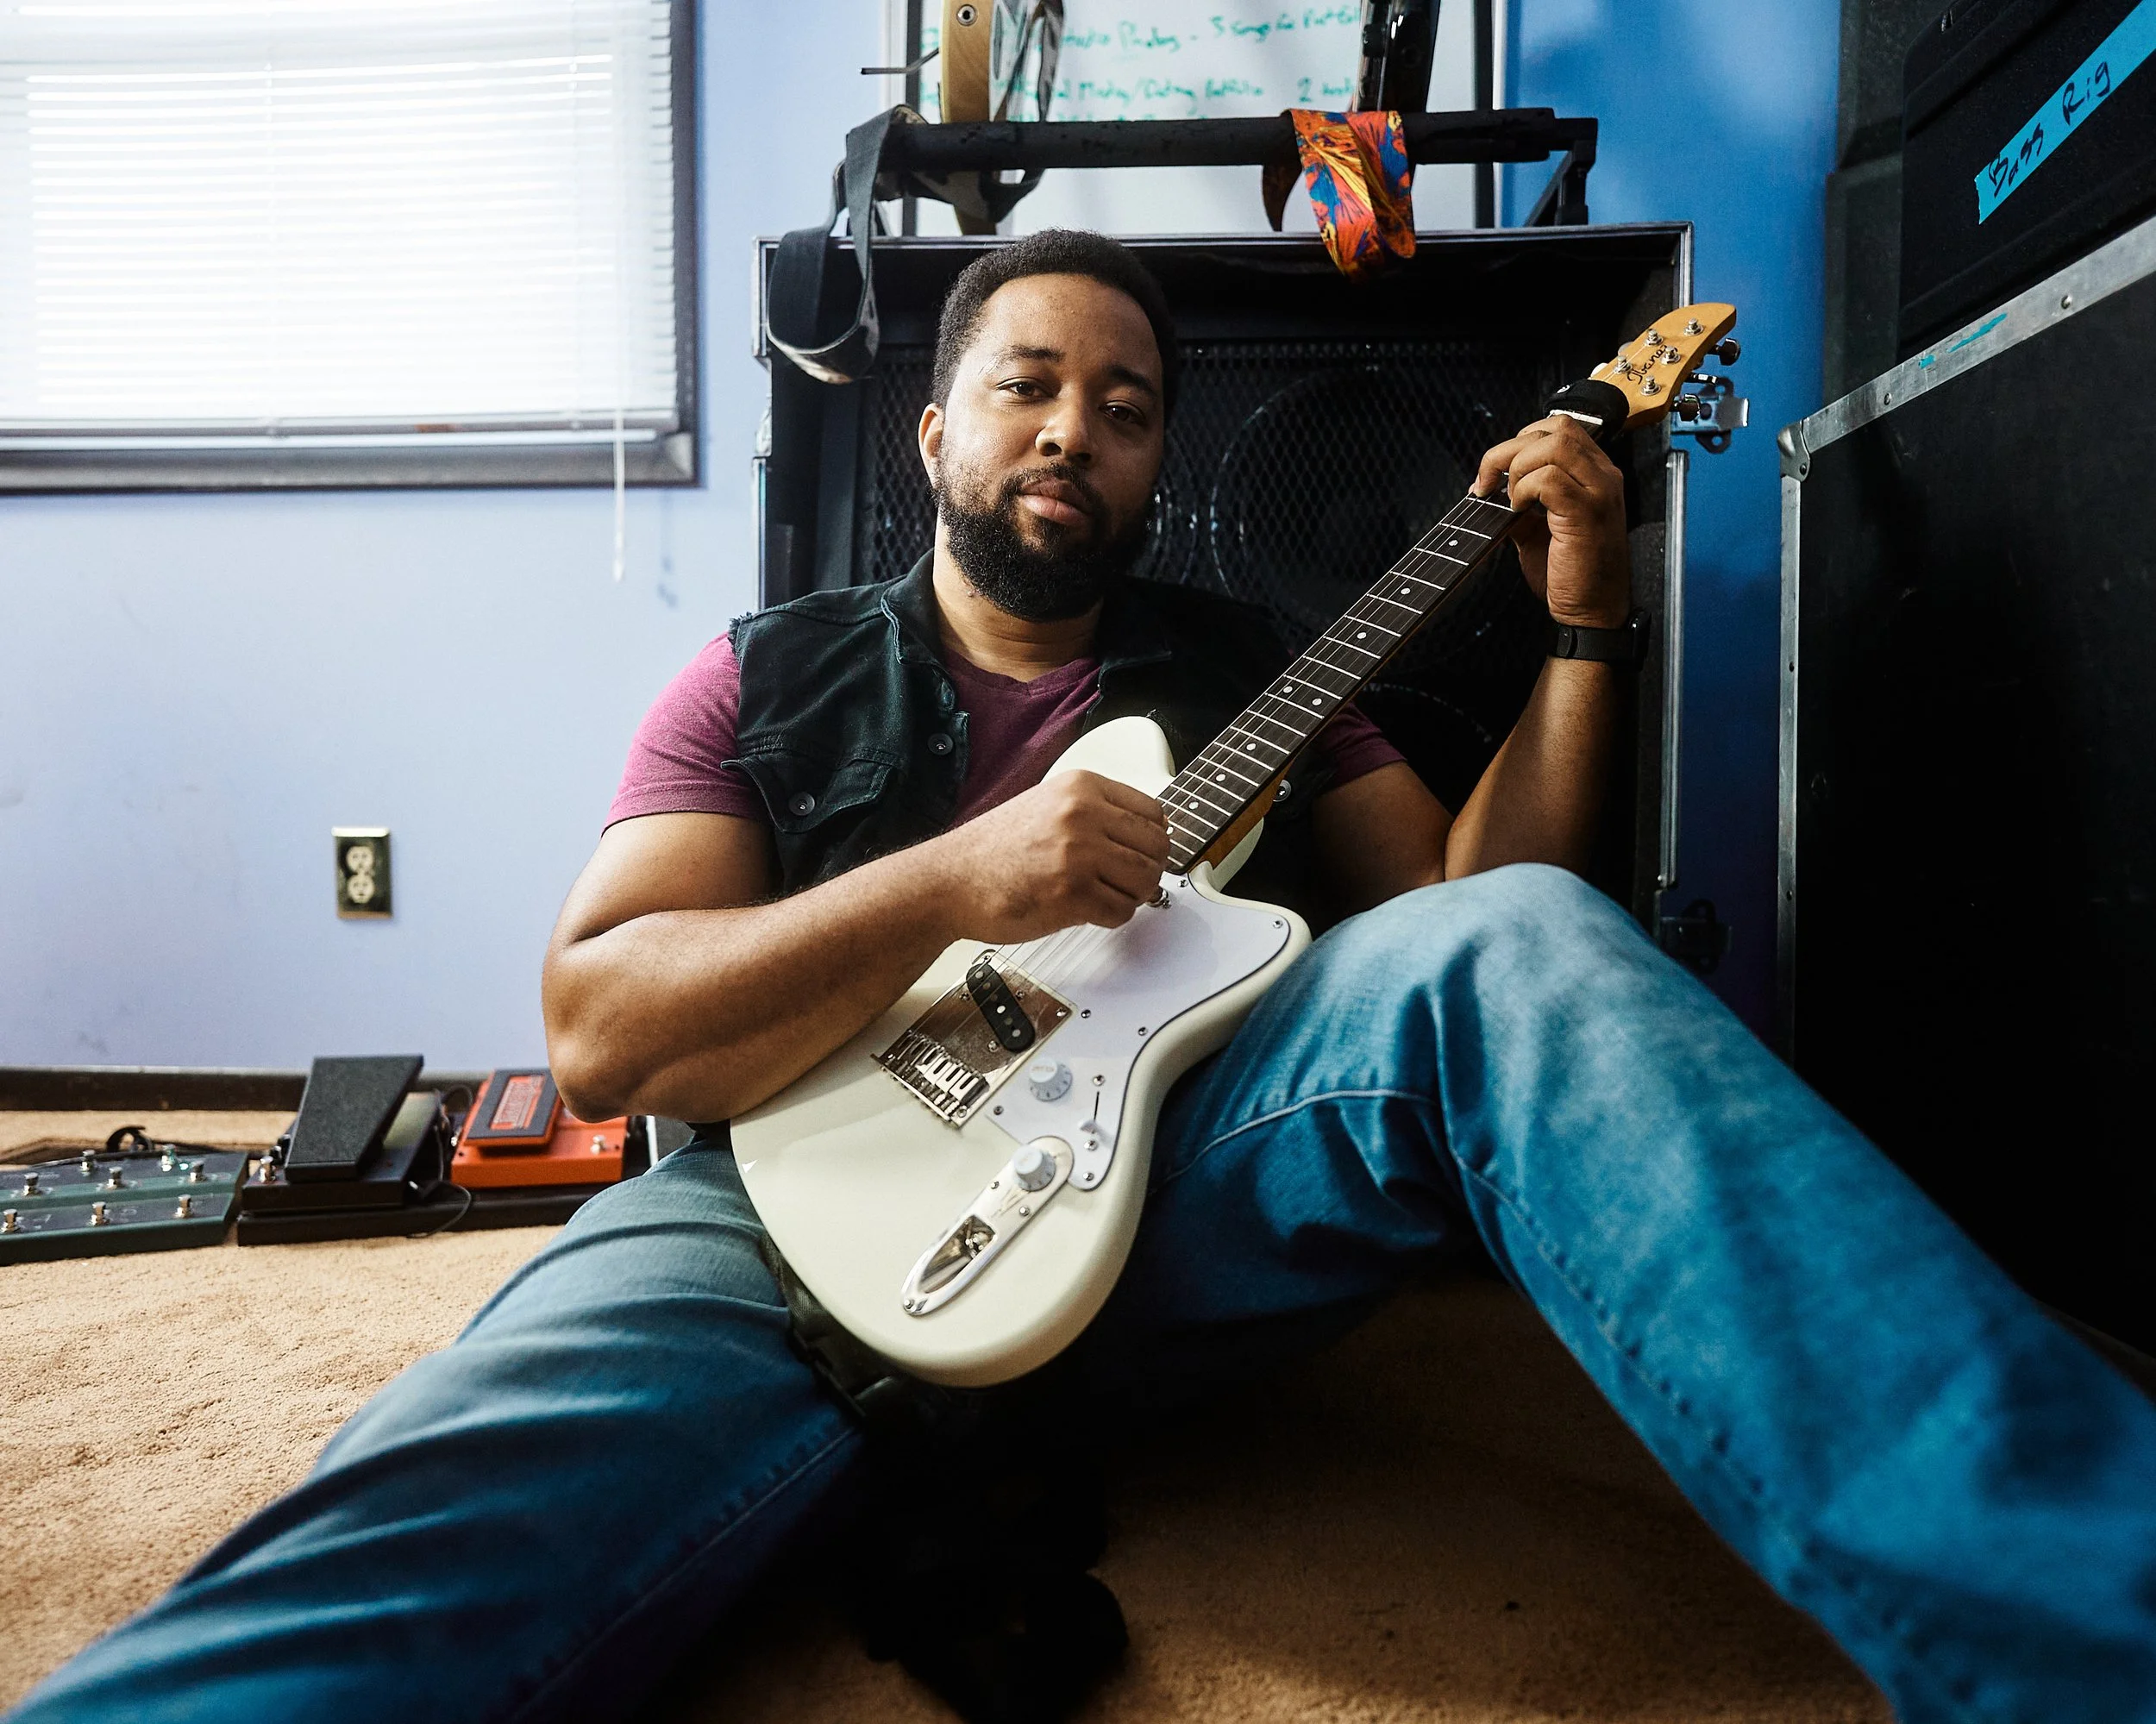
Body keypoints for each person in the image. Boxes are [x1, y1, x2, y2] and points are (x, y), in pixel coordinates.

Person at [14, 229, 2154, 1724]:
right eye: (1023, 387)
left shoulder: (1250, 676)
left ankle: (2095, 1629)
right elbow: (606, 1024)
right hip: (761, 1213)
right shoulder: (758, 675)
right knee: (389, 1547)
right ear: (931, 440)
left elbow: (1482, 931)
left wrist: (1590, 618)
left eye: (1122, 406)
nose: (1072, 428)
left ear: (1153, 465)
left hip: (1166, 1194)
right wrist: (958, 878)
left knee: (1522, 949)